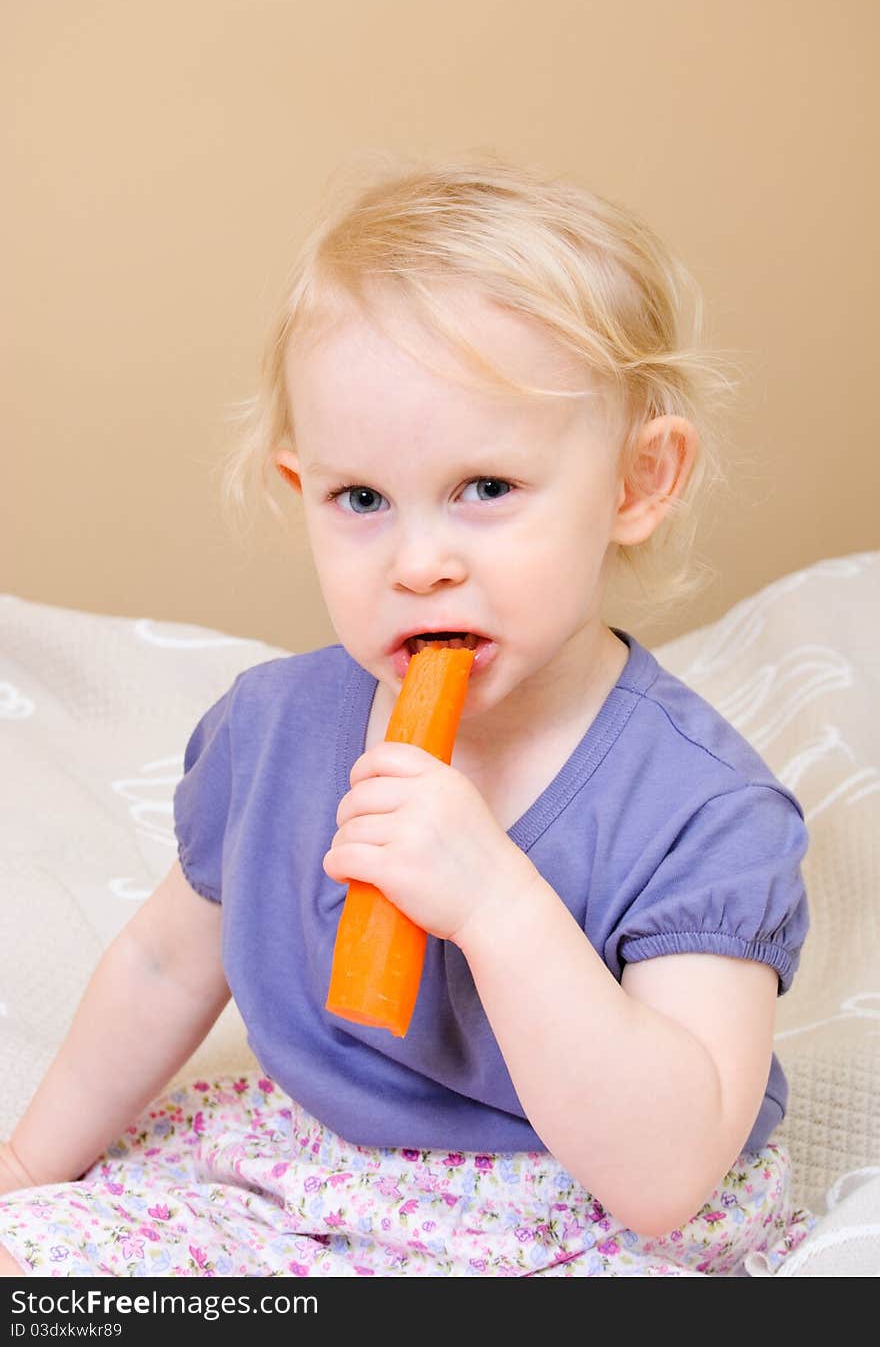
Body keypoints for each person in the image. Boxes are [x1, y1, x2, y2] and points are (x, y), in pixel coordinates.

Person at [0, 154, 818, 1277]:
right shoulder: (274, 729)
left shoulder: (705, 814)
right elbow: (158, 967)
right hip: (318, 1164)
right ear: (302, 494)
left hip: (579, 1211)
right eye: (363, 500)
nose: (420, 561)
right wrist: (30, 1162)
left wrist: (493, 899)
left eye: (485, 488)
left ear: (635, 484)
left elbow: (664, 1177)